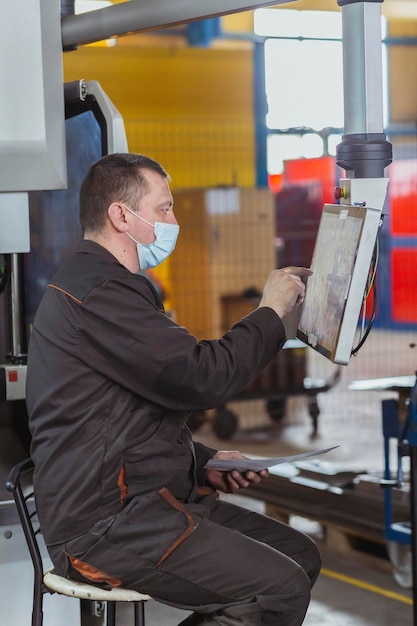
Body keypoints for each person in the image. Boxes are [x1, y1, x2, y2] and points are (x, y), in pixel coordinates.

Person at [26, 153, 321, 626]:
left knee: (297, 556)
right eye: (163, 209)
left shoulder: (111, 287)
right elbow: (202, 376)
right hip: (105, 524)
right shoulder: (100, 293)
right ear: (121, 216)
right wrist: (270, 315)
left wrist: (202, 463)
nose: (173, 221)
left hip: (146, 502)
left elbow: (130, 419)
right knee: (277, 588)